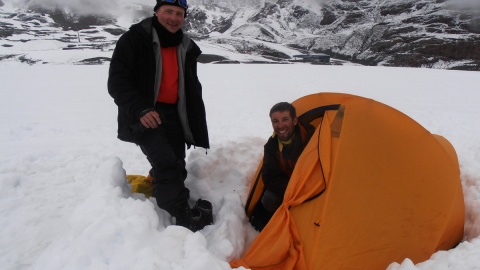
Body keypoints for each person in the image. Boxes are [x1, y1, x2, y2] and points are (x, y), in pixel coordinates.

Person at [107, 0, 212, 232]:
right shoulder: (134, 40)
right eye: (168, 12)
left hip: (174, 115)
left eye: (179, 13)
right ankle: (181, 219)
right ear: (156, 12)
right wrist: (140, 110)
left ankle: (166, 202)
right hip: (145, 115)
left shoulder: (184, 46)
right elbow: (118, 81)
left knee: (177, 164)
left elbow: (189, 87)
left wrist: (193, 121)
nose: (173, 18)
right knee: (166, 165)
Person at [249, 102, 315, 231]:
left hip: (314, 186)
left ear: (294, 120)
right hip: (290, 188)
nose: (280, 126)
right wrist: (292, 188)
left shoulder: (311, 136)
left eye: (285, 119)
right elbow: (269, 177)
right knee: (269, 199)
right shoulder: (271, 146)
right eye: (275, 121)